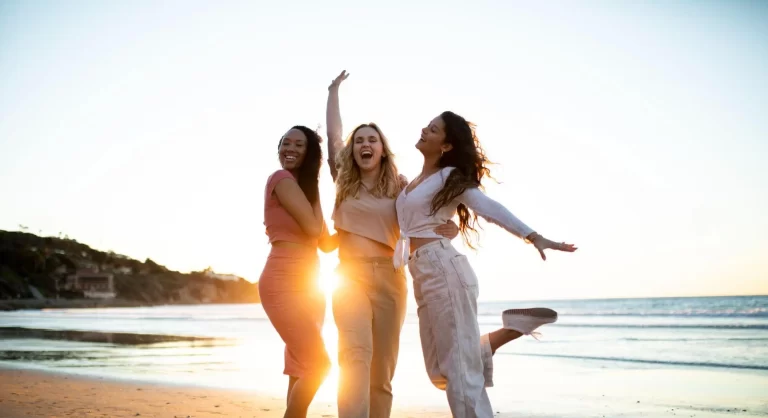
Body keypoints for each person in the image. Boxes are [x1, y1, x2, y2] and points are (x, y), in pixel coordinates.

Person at [395, 111, 577, 418]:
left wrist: (533, 236)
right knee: (439, 370)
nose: (424, 130)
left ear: (447, 145)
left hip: (443, 269)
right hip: (420, 272)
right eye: (427, 125)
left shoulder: (450, 177)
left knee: (460, 374)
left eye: (433, 129)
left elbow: (489, 209)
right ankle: (512, 329)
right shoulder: (411, 183)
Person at [322, 71, 459, 418]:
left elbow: (428, 216)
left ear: (382, 150)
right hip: (348, 278)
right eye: (359, 141)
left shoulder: (400, 187)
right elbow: (334, 135)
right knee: (355, 356)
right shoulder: (343, 182)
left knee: (381, 372)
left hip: (389, 280)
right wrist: (333, 91)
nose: (364, 144)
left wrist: (448, 227)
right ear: (352, 151)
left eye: (372, 140)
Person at [259, 125, 331, 418]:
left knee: (301, 365)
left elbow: (326, 243)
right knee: (320, 365)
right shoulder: (281, 179)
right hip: (283, 279)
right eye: (285, 143)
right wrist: (312, 184)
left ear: (310, 153)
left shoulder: (305, 190)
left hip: (310, 283)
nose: (289, 148)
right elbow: (314, 229)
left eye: (299, 145)